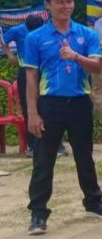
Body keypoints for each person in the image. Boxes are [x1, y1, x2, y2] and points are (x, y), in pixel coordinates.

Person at [23, 0, 102, 235]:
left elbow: (98, 67)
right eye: (59, 1)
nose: (66, 6)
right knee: (44, 159)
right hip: (49, 104)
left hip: (79, 103)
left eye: (69, 1)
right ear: (47, 5)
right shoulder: (35, 38)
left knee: (84, 155)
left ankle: (93, 201)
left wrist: (76, 56)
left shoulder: (85, 34)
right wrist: (32, 113)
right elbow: (31, 77)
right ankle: (38, 213)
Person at [1, 14, 63, 158]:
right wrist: (9, 55)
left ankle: (56, 145)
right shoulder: (18, 30)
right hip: (25, 71)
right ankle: (33, 146)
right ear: (26, 27)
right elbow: (3, 40)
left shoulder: (48, 30)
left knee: (49, 106)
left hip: (45, 71)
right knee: (29, 107)